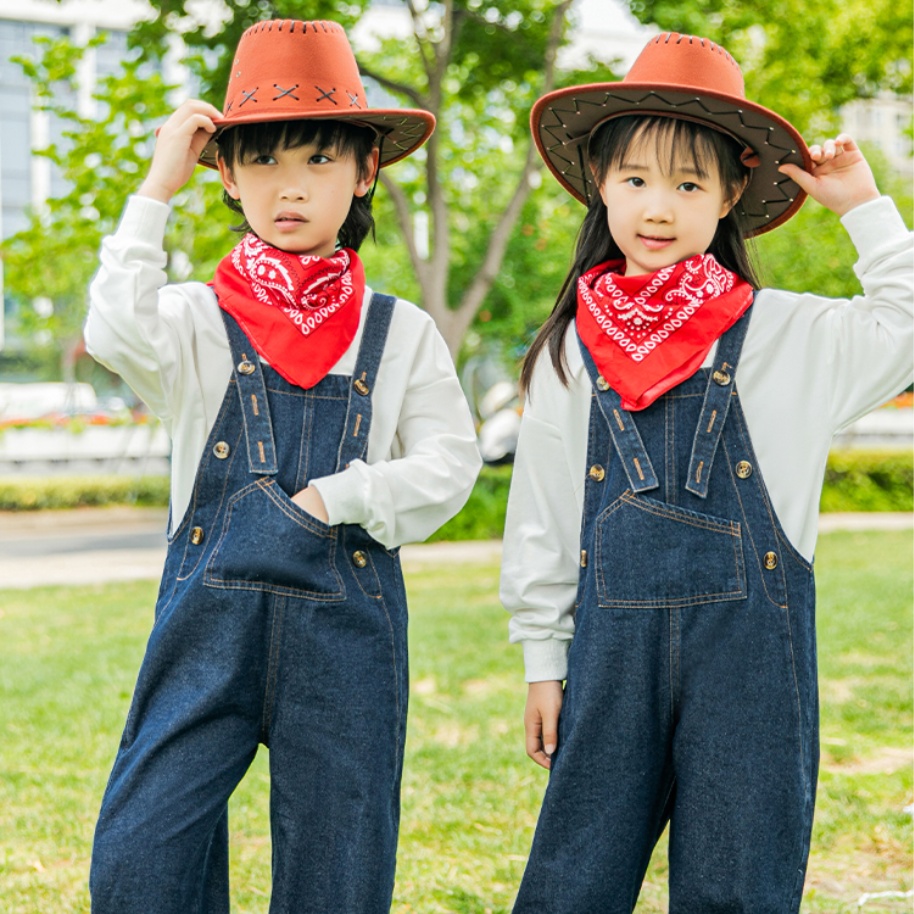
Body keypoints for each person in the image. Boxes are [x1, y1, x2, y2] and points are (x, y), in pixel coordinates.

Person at [501, 31, 912, 912]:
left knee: (742, 883)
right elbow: (540, 513)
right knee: (572, 882)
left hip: (752, 665)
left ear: (730, 195)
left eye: (689, 184)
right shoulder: (570, 347)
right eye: (636, 179)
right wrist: (544, 656)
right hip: (609, 662)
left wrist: (864, 208)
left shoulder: (789, 334)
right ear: (600, 187)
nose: (659, 206)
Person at [85, 19, 481, 913]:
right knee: (140, 866)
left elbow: (449, 466)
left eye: (315, 161)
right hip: (205, 634)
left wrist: (337, 496)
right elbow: (113, 327)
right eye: (261, 163)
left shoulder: (398, 331)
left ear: (365, 170)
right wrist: (157, 184)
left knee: (338, 876)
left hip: (347, 638)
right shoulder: (191, 318)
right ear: (225, 176)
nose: (288, 189)